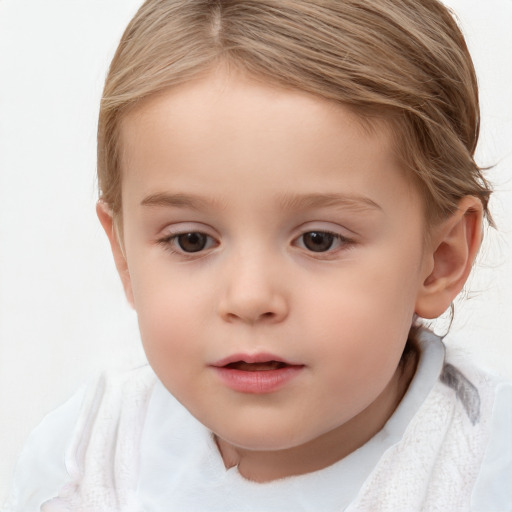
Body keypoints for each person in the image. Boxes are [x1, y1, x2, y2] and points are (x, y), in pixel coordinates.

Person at [3, 0, 511, 510]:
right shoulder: (81, 464)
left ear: (440, 259)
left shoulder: (487, 474)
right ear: (125, 257)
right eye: (191, 241)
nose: (249, 298)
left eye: (319, 239)